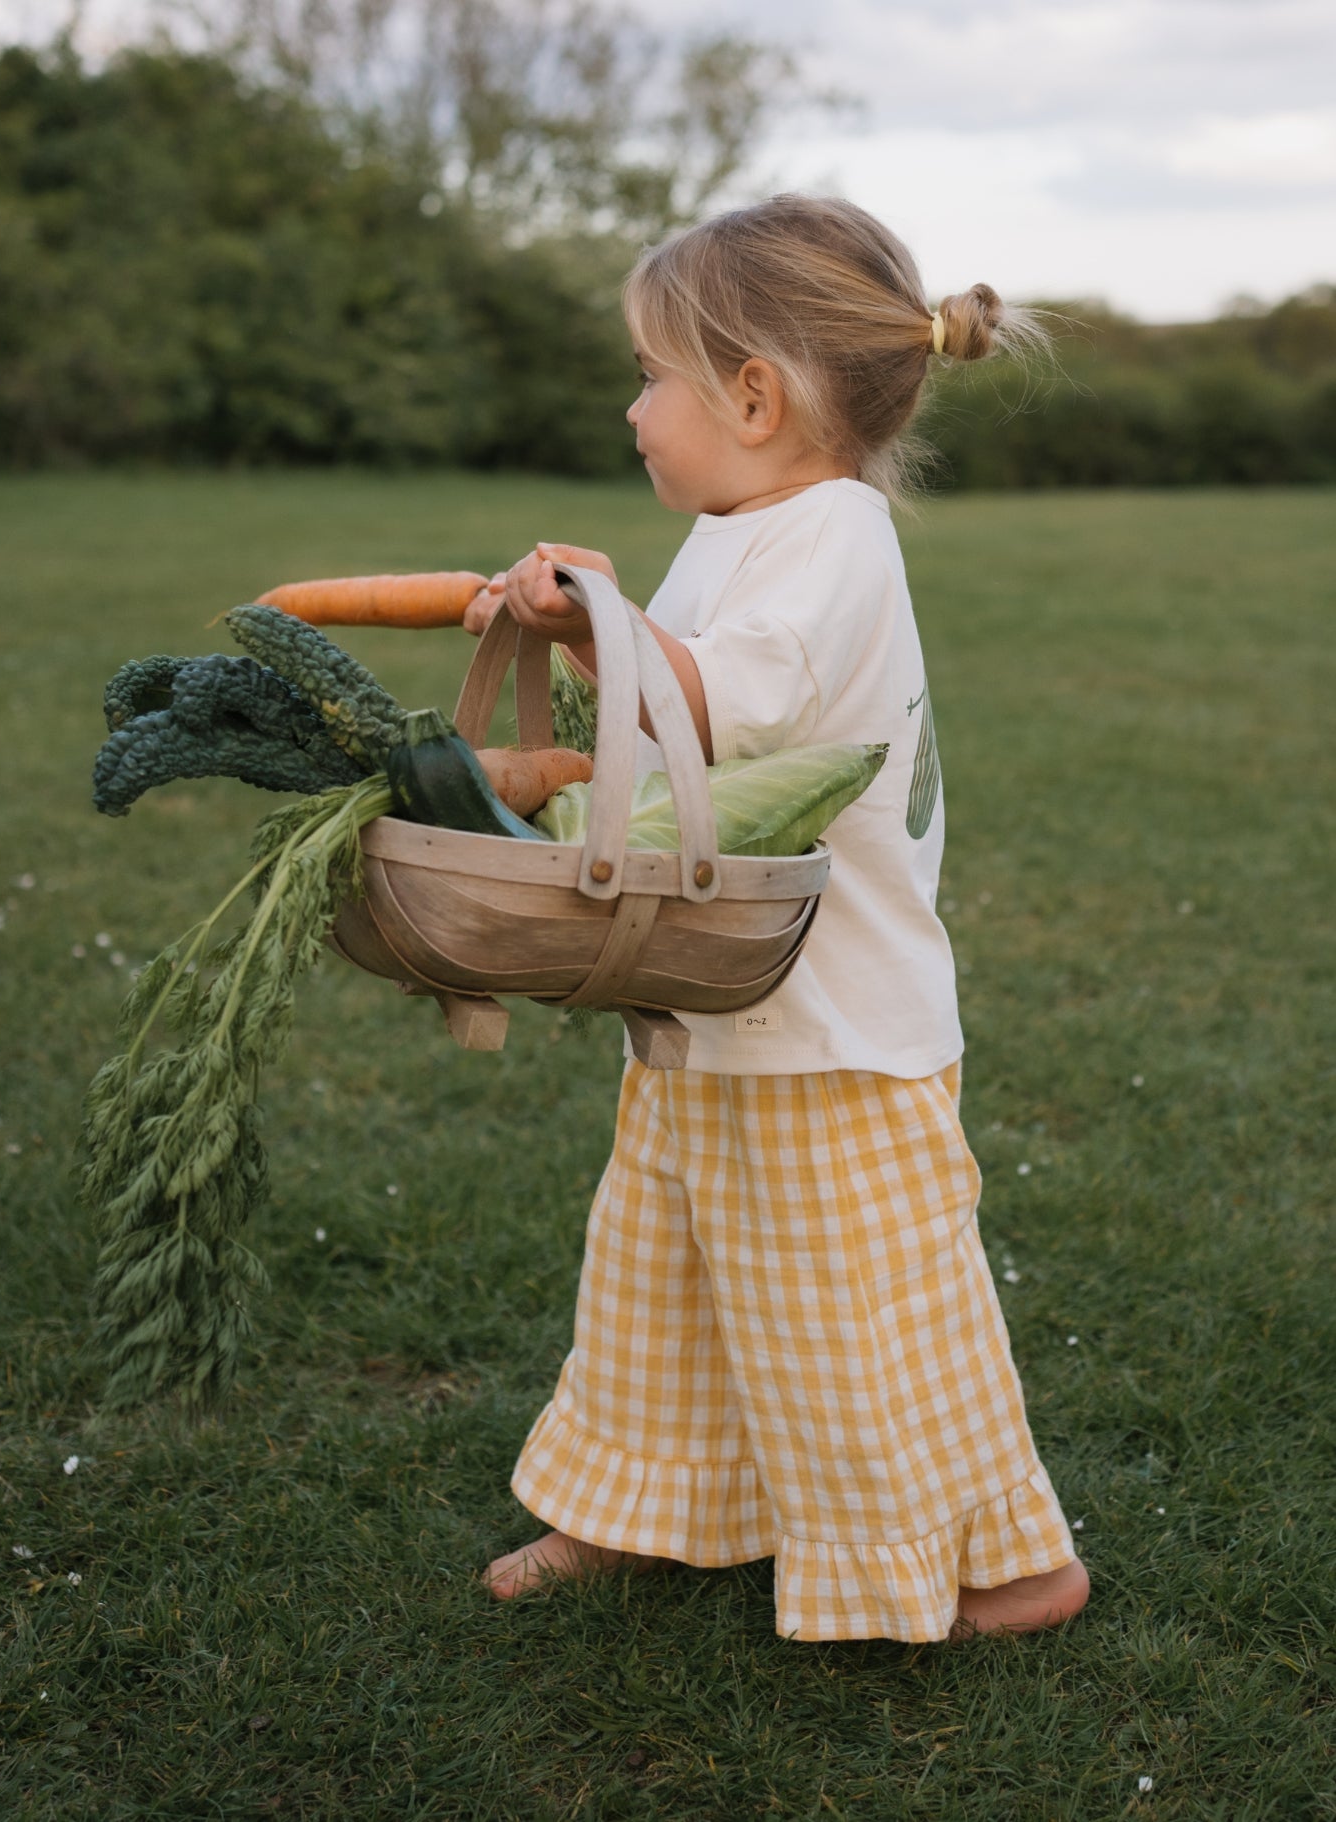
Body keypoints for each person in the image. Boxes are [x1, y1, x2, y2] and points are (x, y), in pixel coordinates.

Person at [466, 195, 1089, 1642]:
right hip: (719, 1001)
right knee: (660, 1283)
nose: (632, 409)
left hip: (828, 1027)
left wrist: (603, 630)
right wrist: (602, 627)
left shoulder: (832, 539)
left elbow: (728, 703)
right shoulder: (748, 528)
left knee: (856, 1314)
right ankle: (633, 1502)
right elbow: (674, 701)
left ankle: (996, 1555)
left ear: (754, 395)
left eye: (652, 375)